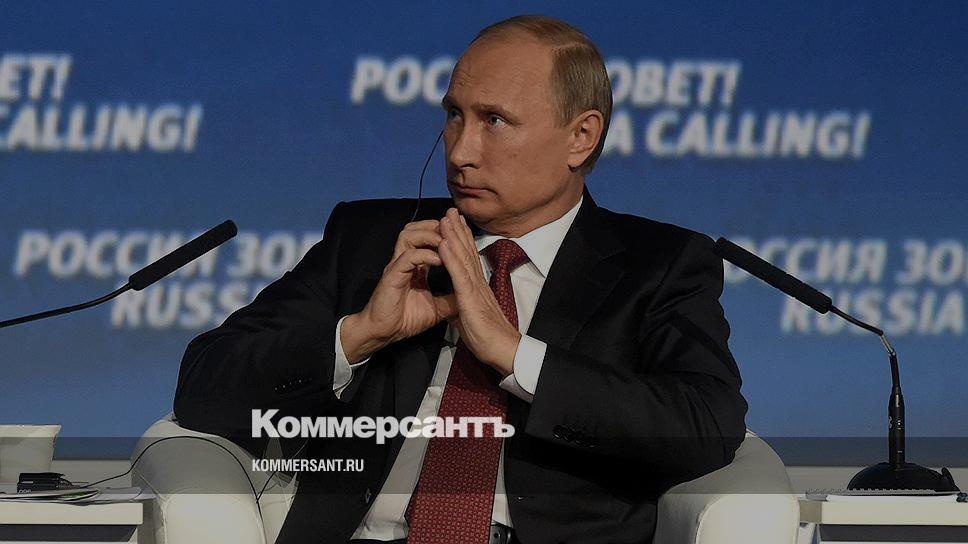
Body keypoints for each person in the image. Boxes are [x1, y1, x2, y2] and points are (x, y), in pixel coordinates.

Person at [174, 15, 747, 544]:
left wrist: (515, 356)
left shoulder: (658, 263)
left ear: (581, 136)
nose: (462, 152)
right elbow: (203, 386)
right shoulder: (371, 240)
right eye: (454, 115)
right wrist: (360, 334)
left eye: (494, 120)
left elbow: (707, 424)